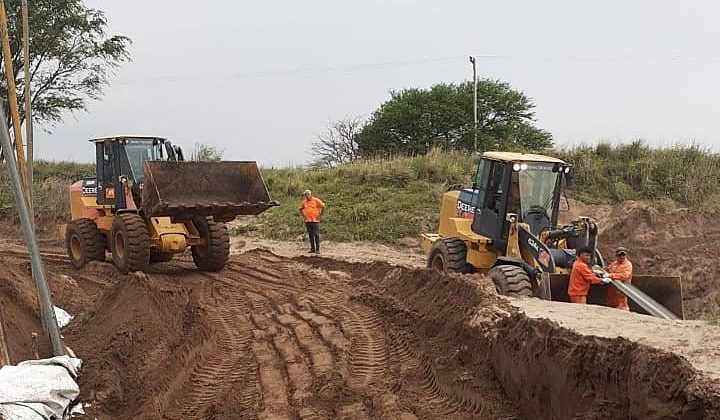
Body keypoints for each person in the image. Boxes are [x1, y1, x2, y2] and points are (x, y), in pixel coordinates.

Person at [298, 189, 326, 253]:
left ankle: (318, 249)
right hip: (308, 221)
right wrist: (303, 215)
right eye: (305, 195)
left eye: (308, 194)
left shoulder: (316, 200)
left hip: (315, 220)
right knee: (310, 235)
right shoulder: (304, 202)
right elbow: (300, 208)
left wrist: (320, 214)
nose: (307, 196)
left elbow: (323, 206)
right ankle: (312, 249)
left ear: (311, 194)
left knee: (316, 234)